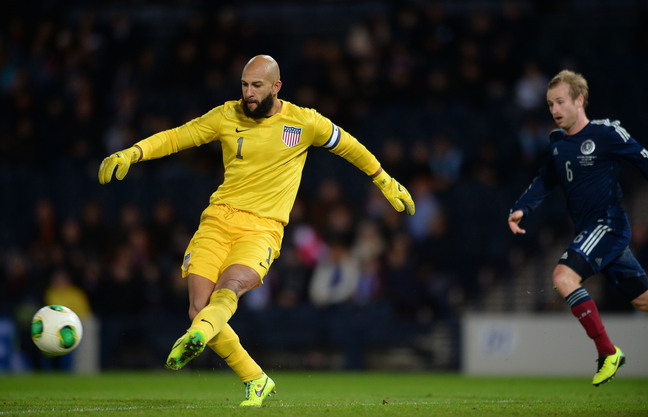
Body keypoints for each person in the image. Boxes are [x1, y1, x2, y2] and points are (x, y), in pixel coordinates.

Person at [98, 55, 414, 406]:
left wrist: (384, 180)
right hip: (216, 221)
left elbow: (350, 147)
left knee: (229, 288)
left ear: (276, 87)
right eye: (245, 85)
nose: (248, 93)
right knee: (199, 307)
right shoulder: (226, 115)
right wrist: (133, 152)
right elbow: (179, 137)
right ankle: (255, 378)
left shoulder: (305, 122)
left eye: (257, 86)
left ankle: (198, 335)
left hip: (262, 230)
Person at [508, 69, 648, 386]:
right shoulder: (558, 144)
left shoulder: (607, 133)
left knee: (563, 277)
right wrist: (521, 207)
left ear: (579, 100)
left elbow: (645, 161)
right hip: (588, 231)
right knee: (643, 301)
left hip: (608, 225)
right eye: (549, 104)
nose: (555, 110)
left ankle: (608, 352)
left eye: (560, 102)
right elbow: (546, 179)